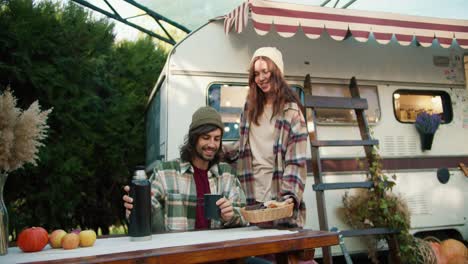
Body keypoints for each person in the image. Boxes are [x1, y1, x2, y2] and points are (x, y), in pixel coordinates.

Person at [123, 106, 246, 232]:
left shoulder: (227, 174)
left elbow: (244, 215)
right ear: (193, 138)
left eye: (217, 139)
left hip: (216, 250)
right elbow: (147, 212)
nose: (212, 144)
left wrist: (231, 216)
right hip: (179, 250)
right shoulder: (165, 172)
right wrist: (136, 206)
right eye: (206, 137)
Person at [226, 47, 308, 228]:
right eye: (256, 74)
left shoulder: (292, 113)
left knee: (278, 254)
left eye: (265, 71)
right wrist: (215, 150)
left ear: (277, 72)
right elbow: (242, 147)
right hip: (250, 195)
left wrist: (288, 199)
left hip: (277, 199)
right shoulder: (249, 109)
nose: (261, 78)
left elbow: (296, 163)